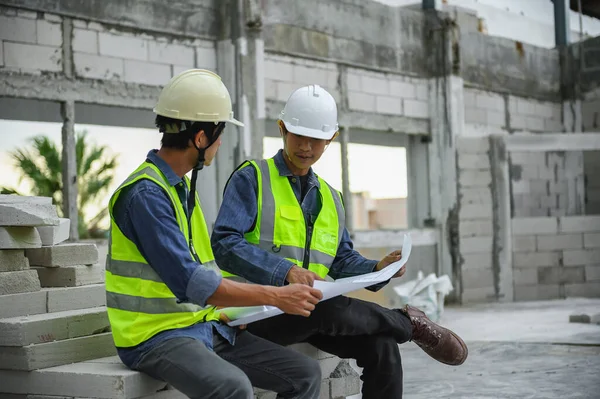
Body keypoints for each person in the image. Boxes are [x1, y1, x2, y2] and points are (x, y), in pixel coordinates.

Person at [211, 84, 469, 398]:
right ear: (282, 129)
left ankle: (400, 327)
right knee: (321, 305)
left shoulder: (331, 198)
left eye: (316, 139)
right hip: (253, 315)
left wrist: (377, 268)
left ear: (330, 139)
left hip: (307, 314)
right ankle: (408, 324)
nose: (306, 147)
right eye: (299, 136)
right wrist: (286, 273)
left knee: (383, 345)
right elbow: (224, 244)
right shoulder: (253, 178)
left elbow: (342, 260)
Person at [105, 69, 326, 399]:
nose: (221, 142)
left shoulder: (178, 188)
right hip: (154, 336)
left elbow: (203, 271)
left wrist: (232, 310)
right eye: (219, 133)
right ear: (200, 138)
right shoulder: (146, 196)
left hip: (201, 325)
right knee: (233, 387)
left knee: (305, 374)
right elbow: (191, 282)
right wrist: (276, 295)